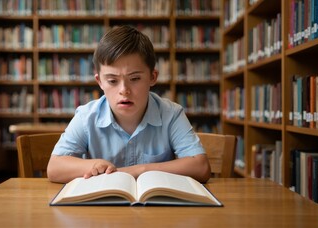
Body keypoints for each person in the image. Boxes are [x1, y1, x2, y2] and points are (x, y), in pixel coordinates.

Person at [47, 25, 211, 183]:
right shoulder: (86, 116)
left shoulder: (172, 113)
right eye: (112, 81)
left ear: (152, 77)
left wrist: (139, 170)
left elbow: (201, 167)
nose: (124, 90)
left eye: (134, 79)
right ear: (100, 81)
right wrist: (93, 165)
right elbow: (54, 168)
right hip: (100, 209)